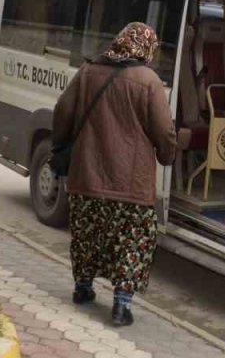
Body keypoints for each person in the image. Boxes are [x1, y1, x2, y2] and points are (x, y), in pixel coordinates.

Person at [51, 22, 178, 327]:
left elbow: (61, 111)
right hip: (131, 184)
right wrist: (167, 155)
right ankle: (121, 306)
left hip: (87, 176)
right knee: (132, 241)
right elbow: (163, 130)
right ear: (147, 47)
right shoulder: (148, 81)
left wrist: (61, 146)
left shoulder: (88, 72)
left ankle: (83, 289)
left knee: (87, 235)